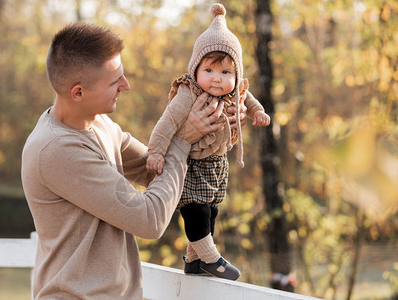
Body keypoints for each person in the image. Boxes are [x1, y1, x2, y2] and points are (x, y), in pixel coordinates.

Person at [21, 22, 249, 299]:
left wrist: (214, 134)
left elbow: (158, 169)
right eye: (114, 81)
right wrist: (184, 139)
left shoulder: (100, 124)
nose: (126, 86)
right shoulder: (57, 149)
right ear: (78, 93)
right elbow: (149, 219)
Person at [146, 3, 270, 281]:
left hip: (217, 163)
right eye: (210, 71)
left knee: (211, 211)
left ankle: (193, 261)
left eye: (226, 73)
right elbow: (166, 123)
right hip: (191, 163)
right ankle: (212, 258)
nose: (217, 79)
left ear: (236, 76)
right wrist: (156, 152)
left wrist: (258, 112)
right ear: (195, 70)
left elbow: (249, 100)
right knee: (195, 210)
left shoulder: (235, 93)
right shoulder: (187, 94)